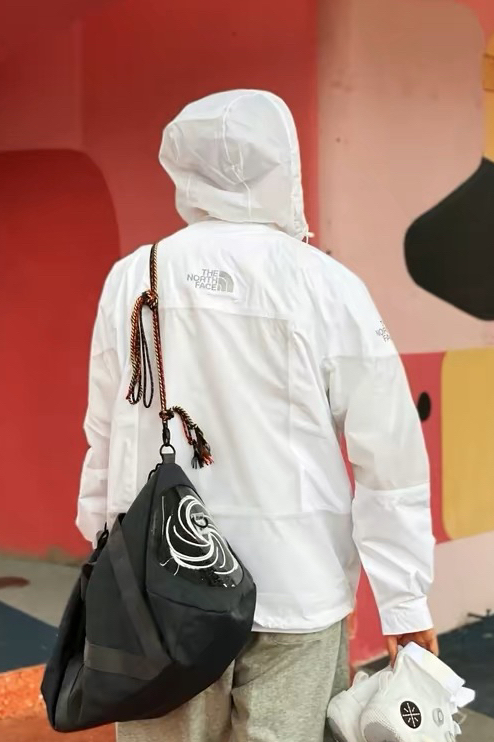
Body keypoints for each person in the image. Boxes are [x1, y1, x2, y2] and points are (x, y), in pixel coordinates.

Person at [76, 89, 435, 742]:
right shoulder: (326, 285)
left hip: (161, 594)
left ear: (184, 169)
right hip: (298, 586)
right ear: (283, 167)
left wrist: (108, 557)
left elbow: (103, 432)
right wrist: (404, 601)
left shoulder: (132, 278)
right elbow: (389, 457)